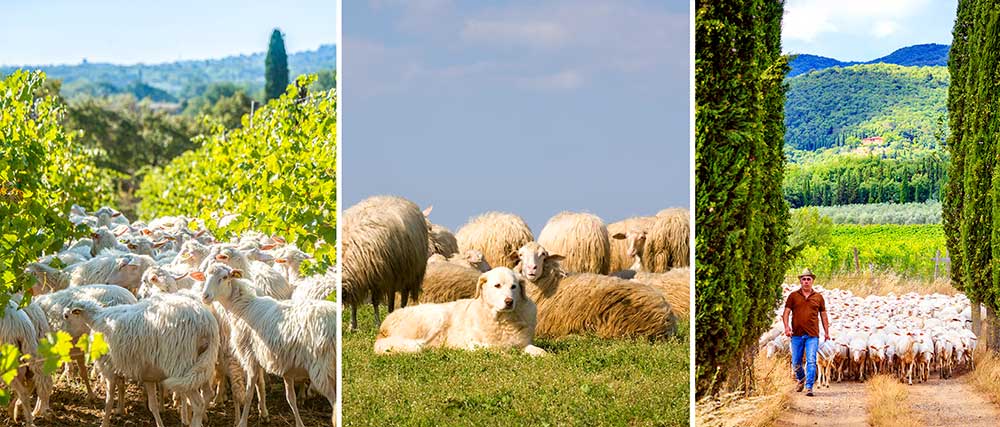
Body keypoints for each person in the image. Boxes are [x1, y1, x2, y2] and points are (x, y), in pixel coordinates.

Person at [782, 268, 830, 397]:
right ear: (800, 281)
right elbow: (786, 313)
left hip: (812, 335)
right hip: (796, 335)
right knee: (796, 362)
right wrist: (787, 327)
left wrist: (826, 332)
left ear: (812, 281)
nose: (806, 282)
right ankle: (801, 378)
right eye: (804, 279)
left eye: (809, 279)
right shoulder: (793, 296)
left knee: (811, 361)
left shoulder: (818, 297)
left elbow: (823, 316)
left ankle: (809, 387)